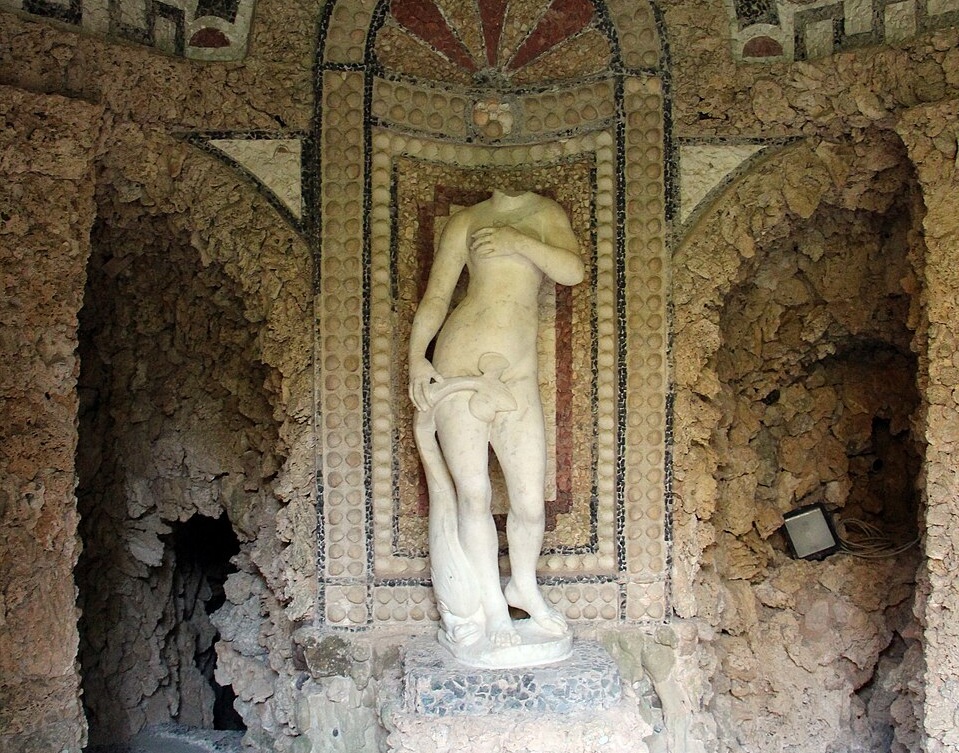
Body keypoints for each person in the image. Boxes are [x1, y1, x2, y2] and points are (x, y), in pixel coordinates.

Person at [408, 188, 584, 653]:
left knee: (529, 501)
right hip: (458, 365)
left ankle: (523, 586)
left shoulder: (544, 212)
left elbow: (572, 271)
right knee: (474, 494)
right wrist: (416, 359)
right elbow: (437, 296)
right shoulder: (465, 221)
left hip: (516, 374)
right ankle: (492, 606)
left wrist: (516, 241)